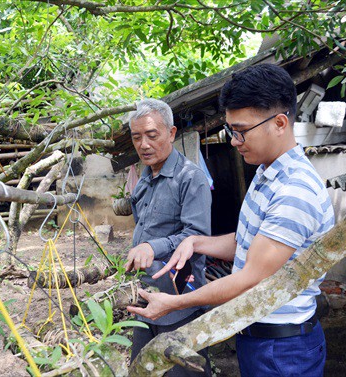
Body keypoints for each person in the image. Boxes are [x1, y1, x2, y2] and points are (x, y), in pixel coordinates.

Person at [128, 64, 335, 377]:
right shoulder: (266, 174)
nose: (234, 141)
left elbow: (251, 277)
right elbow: (244, 243)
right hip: (257, 335)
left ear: (279, 123)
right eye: (230, 131)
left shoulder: (295, 190)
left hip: (282, 349)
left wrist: (175, 303)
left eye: (241, 131)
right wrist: (197, 241)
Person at [124, 98, 212, 376]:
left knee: (183, 370)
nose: (143, 145)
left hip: (179, 301)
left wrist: (153, 245)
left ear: (171, 133)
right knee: (142, 369)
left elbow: (197, 237)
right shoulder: (145, 180)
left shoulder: (190, 178)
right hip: (145, 295)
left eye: (152, 135)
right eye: (137, 137)